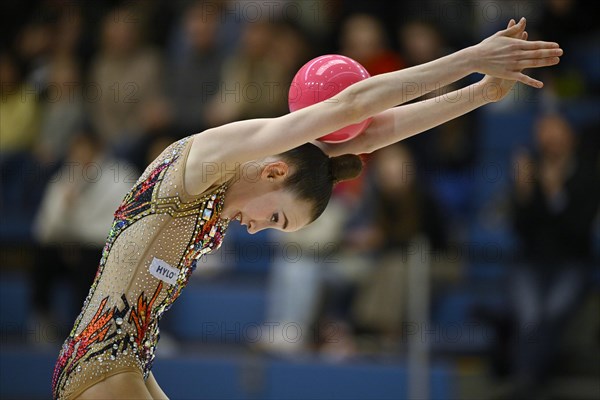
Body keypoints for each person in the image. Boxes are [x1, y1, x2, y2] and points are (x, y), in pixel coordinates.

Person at [52, 18, 562, 399]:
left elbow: (375, 131)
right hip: (105, 363)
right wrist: (471, 58)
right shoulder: (209, 158)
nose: (259, 230)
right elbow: (350, 107)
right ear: (275, 173)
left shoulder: (235, 184)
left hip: (127, 364)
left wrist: (481, 94)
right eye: (277, 218)